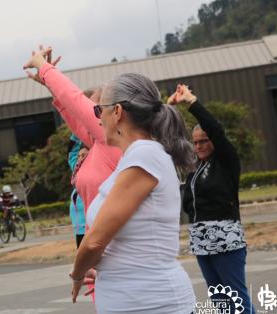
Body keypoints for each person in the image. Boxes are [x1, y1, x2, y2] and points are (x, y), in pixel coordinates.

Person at [68, 72, 197, 313]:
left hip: (153, 303)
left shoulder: (144, 155)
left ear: (117, 112)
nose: (97, 119)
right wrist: (110, 267)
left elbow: (95, 240)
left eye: (99, 111)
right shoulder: (137, 157)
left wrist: (77, 273)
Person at [24, 46, 123, 299]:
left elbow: (75, 103)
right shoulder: (97, 143)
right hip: (101, 253)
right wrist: (49, 83)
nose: (90, 114)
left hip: (118, 253)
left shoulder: (113, 144)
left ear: (117, 112)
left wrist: (47, 70)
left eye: (97, 109)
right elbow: (73, 112)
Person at [169, 84, 256, 313]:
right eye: (195, 142)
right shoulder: (194, 168)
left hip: (226, 239)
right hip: (201, 241)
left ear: (214, 141)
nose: (197, 146)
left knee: (237, 302)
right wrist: (168, 109)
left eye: (203, 141)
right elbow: (172, 140)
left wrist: (191, 102)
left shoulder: (227, 162)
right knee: (221, 303)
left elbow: (215, 128)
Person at [68, 134, 88, 248]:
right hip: (79, 231)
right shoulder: (76, 169)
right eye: (79, 155)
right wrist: (78, 132)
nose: (80, 158)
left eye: (83, 155)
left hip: (92, 228)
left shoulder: (94, 174)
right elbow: (71, 150)